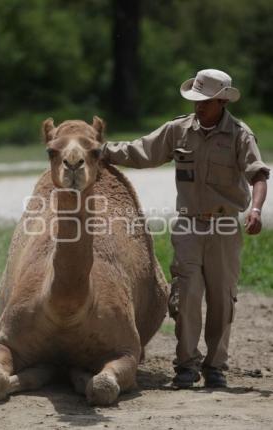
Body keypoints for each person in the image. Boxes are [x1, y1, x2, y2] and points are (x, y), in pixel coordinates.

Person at [101, 69, 270, 388]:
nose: (198, 106)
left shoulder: (239, 135)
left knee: (222, 299)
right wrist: (102, 150)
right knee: (186, 294)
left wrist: (256, 209)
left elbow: (259, 175)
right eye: (196, 100)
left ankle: (216, 367)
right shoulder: (178, 130)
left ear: (221, 100)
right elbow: (141, 151)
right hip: (189, 225)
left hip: (223, 228)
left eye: (205, 101)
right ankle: (186, 365)